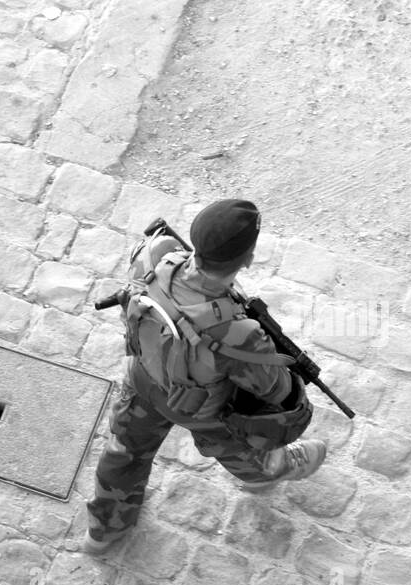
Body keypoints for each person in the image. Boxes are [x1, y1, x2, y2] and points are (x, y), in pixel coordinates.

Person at [85, 199, 326, 553]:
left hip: (141, 376)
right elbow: (276, 392)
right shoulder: (239, 333)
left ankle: (105, 529)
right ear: (248, 259)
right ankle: (267, 469)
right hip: (197, 409)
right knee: (239, 437)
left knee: (124, 452)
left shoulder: (154, 253)